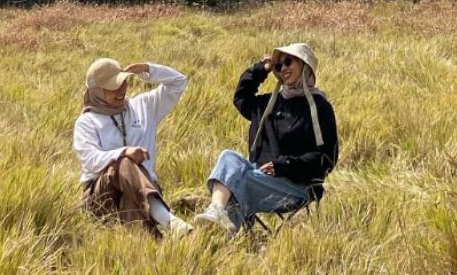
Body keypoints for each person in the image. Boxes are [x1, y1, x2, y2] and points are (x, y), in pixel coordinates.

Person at [193, 42, 338, 234]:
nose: (283, 68)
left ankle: (219, 236)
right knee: (229, 157)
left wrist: (284, 165)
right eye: (279, 66)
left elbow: (327, 158)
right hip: (258, 176)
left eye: (288, 62)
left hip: (297, 186)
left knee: (238, 181)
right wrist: (262, 69)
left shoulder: (319, 107)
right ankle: (217, 214)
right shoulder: (269, 103)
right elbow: (241, 98)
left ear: (305, 65)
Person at [73, 57, 192, 237]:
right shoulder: (87, 122)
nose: (121, 90)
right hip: (102, 197)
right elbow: (90, 161)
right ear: (96, 91)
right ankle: (169, 220)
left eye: (123, 82)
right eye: (112, 87)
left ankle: (162, 244)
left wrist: (148, 69)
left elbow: (178, 82)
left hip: (142, 192)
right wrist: (124, 152)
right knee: (124, 162)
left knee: (139, 230)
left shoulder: (143, 106)